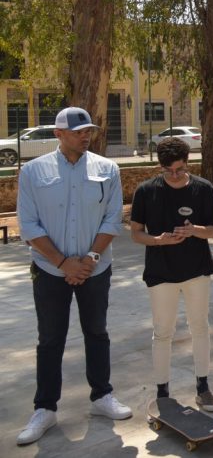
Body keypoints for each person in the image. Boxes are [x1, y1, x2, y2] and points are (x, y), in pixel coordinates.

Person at [16, 107, 132, 446]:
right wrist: (63, 263)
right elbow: (28, 225)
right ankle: (45, 409)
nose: (86, 136)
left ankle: (101, 397)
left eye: (88, 131)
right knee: (50, 338)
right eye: (79, 131)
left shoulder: (107, 168)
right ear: (58, 134)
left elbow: (112, 219)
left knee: (96, 331)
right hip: (50, 269)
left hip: (96, 268)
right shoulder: (33, 172)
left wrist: (90, 259)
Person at [130, 136, 213, 411]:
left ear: (188, 162)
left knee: (200, 327)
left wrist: (193, 230)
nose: (174, 175)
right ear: (160, 167)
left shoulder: (204, 189)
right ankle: (162, 392)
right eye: (168, 170)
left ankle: (203, 387)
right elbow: (136, 233)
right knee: (162, 332)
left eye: (180, 169)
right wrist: (158, 240)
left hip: (197, 271)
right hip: (160, 273)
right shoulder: (146, 191)